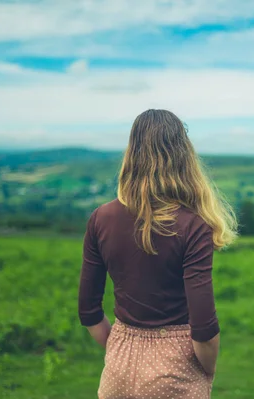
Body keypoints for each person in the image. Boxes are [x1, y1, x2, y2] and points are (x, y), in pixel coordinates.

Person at [78, 109, 238, 399]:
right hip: (177, 367)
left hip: (118, 368)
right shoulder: (194, 223)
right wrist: (208, 369)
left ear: (132, 153)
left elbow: (88, 312)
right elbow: (203, 327)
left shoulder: (100, 218)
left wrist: (120, 347)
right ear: (183, 156)